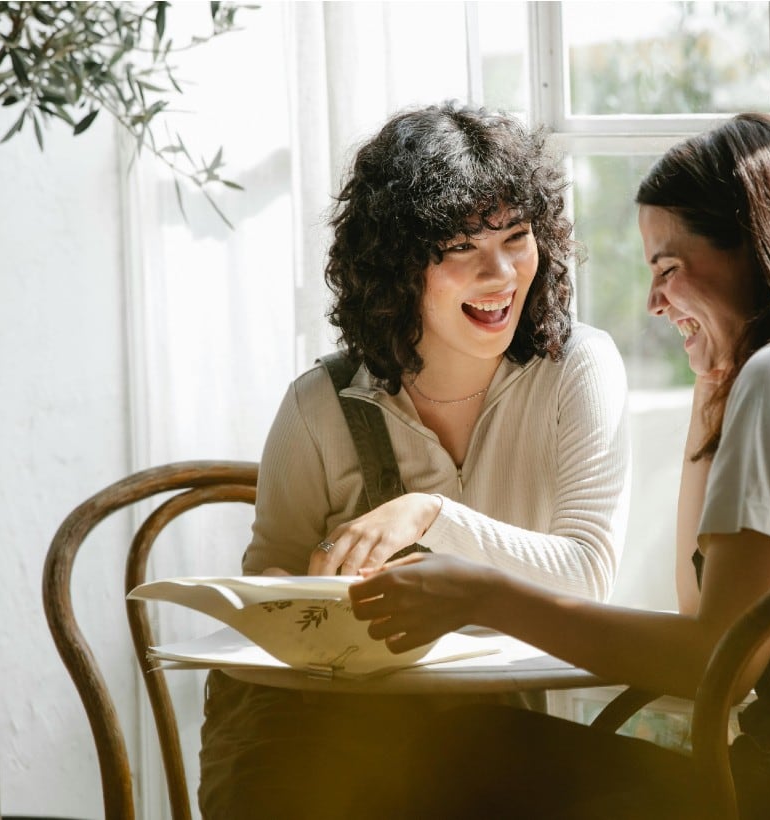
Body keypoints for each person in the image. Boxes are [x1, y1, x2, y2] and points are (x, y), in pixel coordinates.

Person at [349, 112, 770, 819]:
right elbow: (701, 612)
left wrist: (482, 596)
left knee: (454, 755)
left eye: (668, 269)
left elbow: (719, 665)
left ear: (758, 251)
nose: (652, 302)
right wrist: (711, 386)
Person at [197, 101, 631, 819]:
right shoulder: (319, 405)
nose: (501, 276)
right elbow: (268, 574)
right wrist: (301, 594)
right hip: (325, 738)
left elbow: (588, 578)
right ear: (396, 266)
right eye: (461, 248)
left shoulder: (578, 368)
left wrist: (429, 514)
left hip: (493, 735)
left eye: (517, 238)